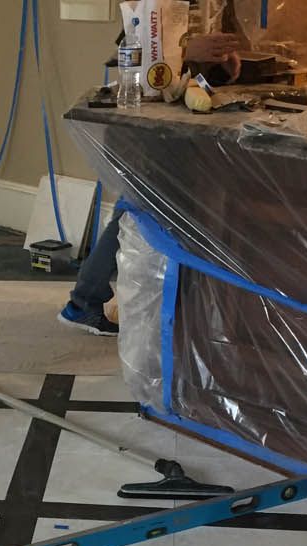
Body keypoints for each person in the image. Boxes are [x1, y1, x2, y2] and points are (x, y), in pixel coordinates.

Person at [58, 31, 243, 336]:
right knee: (138, 206)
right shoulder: (154, 11)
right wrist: (184, 49)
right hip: (145, 124)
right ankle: (87, 302)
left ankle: (86, 301)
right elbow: (130, 45)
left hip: (178, 122)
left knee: (135, 207)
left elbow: (199, 72)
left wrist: (223, 66)